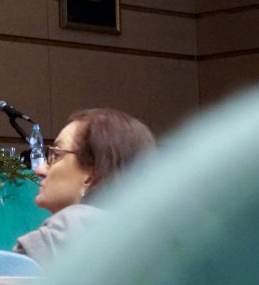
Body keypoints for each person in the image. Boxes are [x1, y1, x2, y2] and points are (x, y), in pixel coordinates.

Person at [14, 108, 154, 263]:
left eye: (56, 155)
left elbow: (9, 274)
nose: (40, 170)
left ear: (91, 175)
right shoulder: (148, 242)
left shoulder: (68, 228)